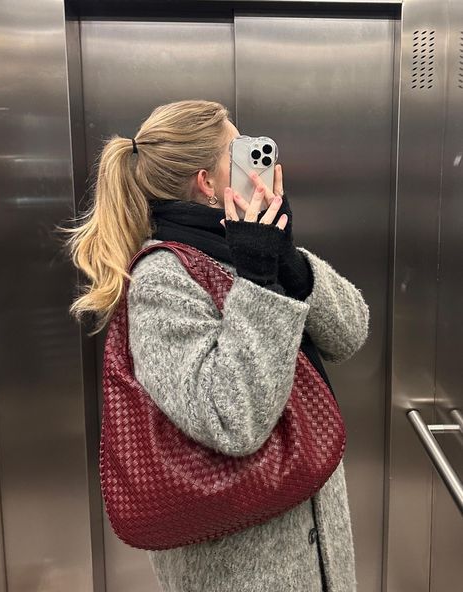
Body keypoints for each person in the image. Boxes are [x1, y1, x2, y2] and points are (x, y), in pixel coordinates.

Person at [59, 99, 370, 591]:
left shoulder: (253, 250)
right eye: (241, 152)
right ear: (208, 181)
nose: (259, 164)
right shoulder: (161, 279)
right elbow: (233, 417)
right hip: (244, 567)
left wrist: (290, 263)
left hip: (320, 545)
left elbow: (351, 334)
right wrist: (261, 282)